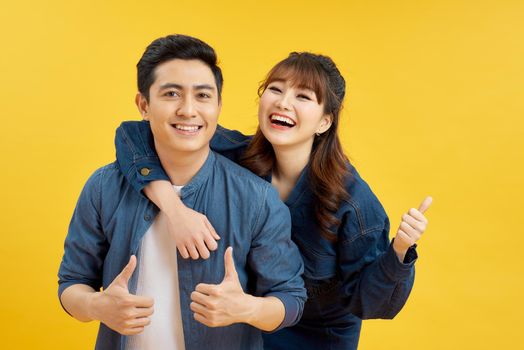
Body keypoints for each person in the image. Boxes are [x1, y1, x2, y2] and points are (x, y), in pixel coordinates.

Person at [115, 51, 432, 349]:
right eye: (276, 90)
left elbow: (370, 303)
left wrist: (400, 251)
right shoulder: (235, 156)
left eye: (303, 96)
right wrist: (175, 210)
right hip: (244, 331)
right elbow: (136, 134)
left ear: (325, 121)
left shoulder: (353, 203)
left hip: (315, 340)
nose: (283, 103)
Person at [58, 34, 307, 350]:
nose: (188, 110)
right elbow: (72, 283)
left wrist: (248, 308)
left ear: (218, 105)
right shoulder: (103, 187)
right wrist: (96, 306)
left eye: (203, 95)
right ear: (144, 105)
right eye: (172, 94)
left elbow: (291, 299)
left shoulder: (256, 199)